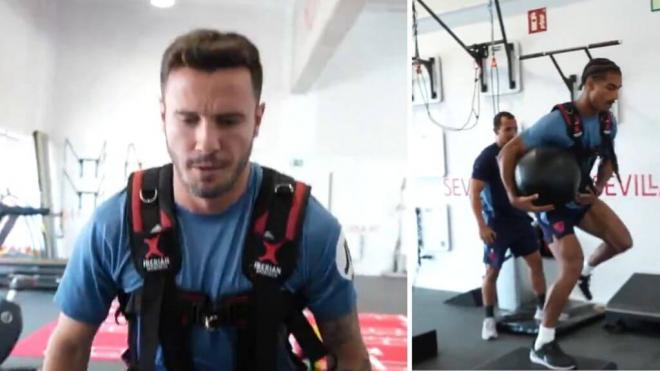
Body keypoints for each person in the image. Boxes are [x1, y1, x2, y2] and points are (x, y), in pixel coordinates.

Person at [43, 29, 371, 371]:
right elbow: (68, 344)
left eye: (228, 121)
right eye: (188, 120)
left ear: (257, 120)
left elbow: (348, 351)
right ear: (163, 117)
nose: (206, 143)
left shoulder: (312, 230)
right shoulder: (114, 225)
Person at [499, 58, 632, 369]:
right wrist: (513, 197)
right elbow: (509, 152)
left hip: (579, 197)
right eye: (610, 87)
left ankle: (587, 271)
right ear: (589, 85)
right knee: (568, 264)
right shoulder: (557, 121)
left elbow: (608, 158)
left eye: (618, 89)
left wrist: (597, 187)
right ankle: (543, 343)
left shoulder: (606, 122)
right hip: (550, 204)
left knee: (622, 241)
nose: (615, 95)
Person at [470, 111, 549, 341]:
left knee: (536, 265)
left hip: (520, 220)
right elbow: (474, 194)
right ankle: (488, 320)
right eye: (507, 130)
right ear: (496, 131)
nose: (512, 133)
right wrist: (481, 226)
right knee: (491, 272)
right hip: (497, 224)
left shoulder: (521, 152)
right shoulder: (486, 158)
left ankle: (542, 310)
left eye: (515, 128)